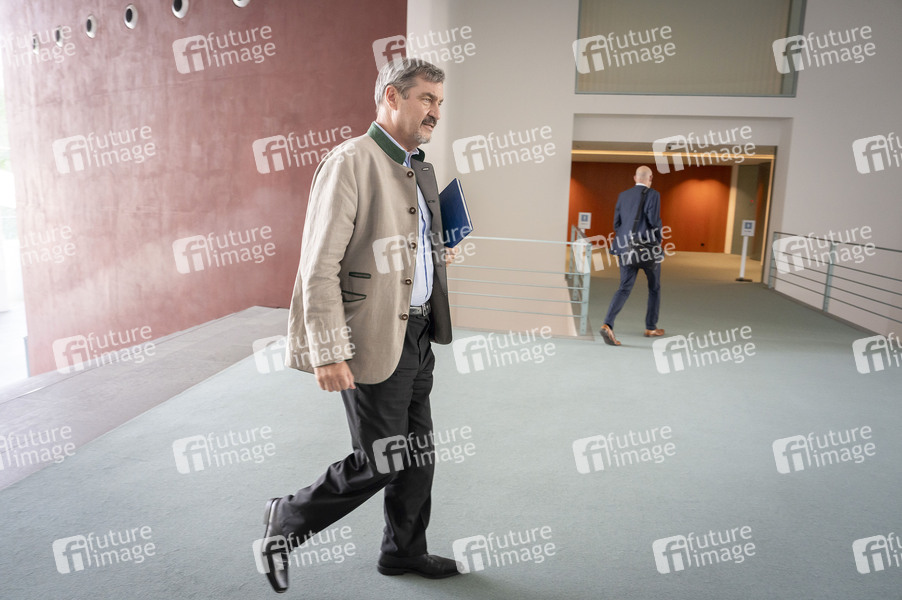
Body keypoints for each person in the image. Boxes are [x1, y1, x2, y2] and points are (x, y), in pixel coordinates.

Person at [257, 58, 460, 594]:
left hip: (418, 332)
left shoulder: (418, 168)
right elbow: (318, 265)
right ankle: (287, 516)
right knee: (381, 459)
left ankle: (403, 553)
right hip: (370, 332)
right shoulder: (350, 161)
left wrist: (435, 255)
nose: (435, 112)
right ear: (392, 96)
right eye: (426, 99)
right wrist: (327, 350)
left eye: (440, 102)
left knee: (417, 456)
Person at [600, 165, 665, 346]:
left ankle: (607, 324)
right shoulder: (653, 194)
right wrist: (658, 241)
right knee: (654, 287)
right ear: (650, 178)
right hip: (647, 249)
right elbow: (653, 221)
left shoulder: (623, 195)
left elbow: (616, 224)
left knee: (624, 287)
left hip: (625, 248)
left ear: (635, 178)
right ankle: (650, 327)